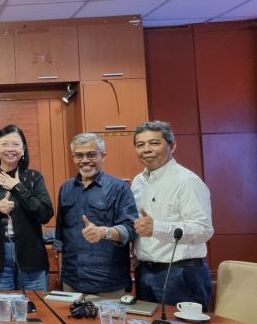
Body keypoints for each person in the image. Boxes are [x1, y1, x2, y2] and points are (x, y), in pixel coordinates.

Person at [131, 121, 214, 310]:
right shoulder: (137, 181)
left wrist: (157, 228)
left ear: (172, 146)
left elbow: (204, 230)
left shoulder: (187, 181)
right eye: (140, 145)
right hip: (144, 271)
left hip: (181, 273)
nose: (147, 149)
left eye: (154, 143)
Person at [54, 133, 138, 297]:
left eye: (91, 154)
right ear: (73, 157)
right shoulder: (66, 188)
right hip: (72, 282)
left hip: (108, 283)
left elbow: (131, 229)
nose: (85, 160)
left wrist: (104, 232)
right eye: (79, 155)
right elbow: (60, 237)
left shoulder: (119, 188)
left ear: (103, 156)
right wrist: (61, 275)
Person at [0, 125, 53, 290]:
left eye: (15, 144)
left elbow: (45, 214)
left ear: (23, 150)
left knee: (36, 310)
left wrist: (18, 187)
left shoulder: (33, 177)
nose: (10, 149)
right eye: (5, 144)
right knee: (0, 312)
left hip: (31, 258)